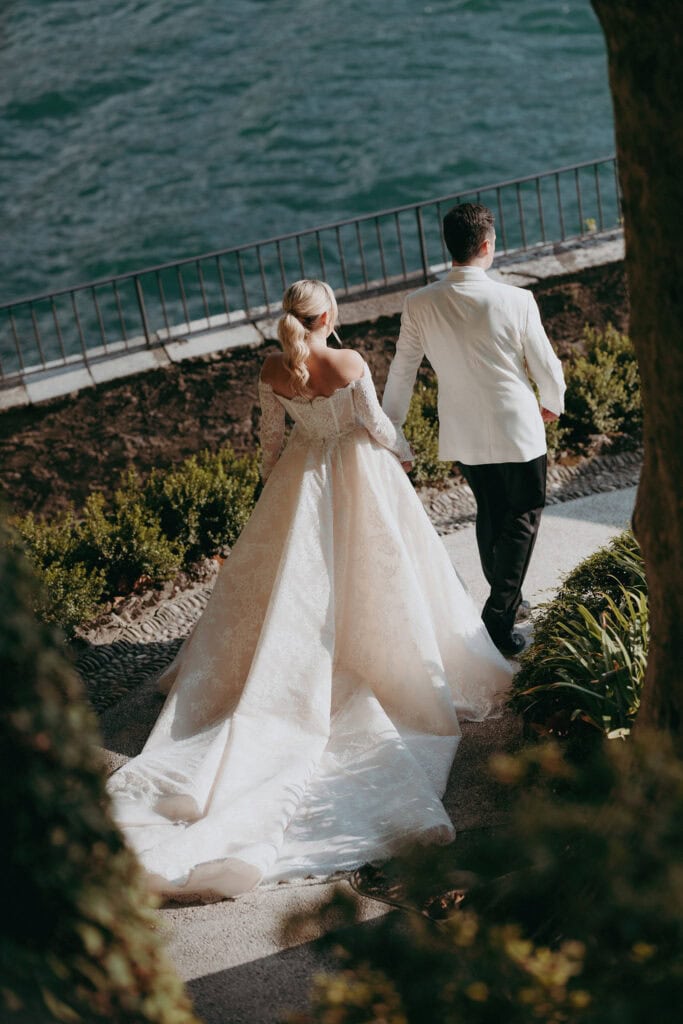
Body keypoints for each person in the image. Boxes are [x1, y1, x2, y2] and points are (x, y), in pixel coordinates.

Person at [107, 279, 512, 901]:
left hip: (301, 478)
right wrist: (404, 454)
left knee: (290, 594)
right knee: (389, 578)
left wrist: (278, 489)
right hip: (359, 477)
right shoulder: (348, 362)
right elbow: (375, 425)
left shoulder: (272, 367)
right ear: (329, 315)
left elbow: (270, 442)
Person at [383, 203, 566, 657]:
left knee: (492, 511)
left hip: (463, 430)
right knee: (523, 516)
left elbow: (401, 373)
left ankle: (509, 598)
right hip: (517, 426)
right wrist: (552, 401)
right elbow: (547, 366)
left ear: (451, 247)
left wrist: (394, 431)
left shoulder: (418, 303)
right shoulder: (516, 299)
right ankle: (499, 615)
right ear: (487, 245)